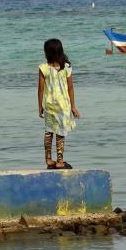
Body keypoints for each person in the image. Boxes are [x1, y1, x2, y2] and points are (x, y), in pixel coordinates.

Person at [37, 39, 81, 169]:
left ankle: (49, 160)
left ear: (47, 53)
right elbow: (70, 87)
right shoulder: (66, 67)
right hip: (63, 106)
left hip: (49, 105)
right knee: (60, 133)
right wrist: (73, 106)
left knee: (49, 131)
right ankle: (60, 161)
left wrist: (40, 106)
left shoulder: (43, 68)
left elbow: (40, 89)